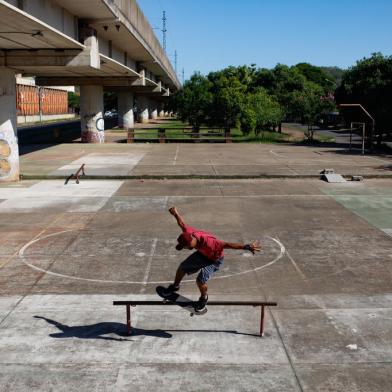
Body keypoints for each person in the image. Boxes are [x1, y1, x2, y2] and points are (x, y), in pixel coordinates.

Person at [163, 206, 261, 313]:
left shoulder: (210, 243)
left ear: (191, 241)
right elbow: (181, 224)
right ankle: (175, 286)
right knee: (182, 267)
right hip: (202, 254)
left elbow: (227, 244)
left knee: (200, 280)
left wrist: (246, 246)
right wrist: (175, 213)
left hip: (215, 260)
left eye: (186, 246)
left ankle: (204, 298)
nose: (187, 248)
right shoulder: (187, 233)